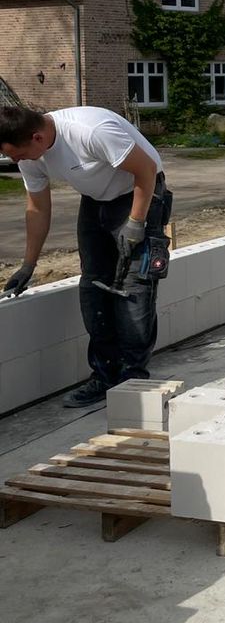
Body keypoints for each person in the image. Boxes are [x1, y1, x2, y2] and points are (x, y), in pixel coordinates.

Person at [0, 105, 172, 407]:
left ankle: (133, 380)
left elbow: (145, 169)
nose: (17, 162)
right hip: (96, 199)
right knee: (93, 285)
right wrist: (29, 264)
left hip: (140, 191)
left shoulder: (90, 131)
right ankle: (104, 376)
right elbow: (38, 208)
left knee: (134, 287)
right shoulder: (29, 151)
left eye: (18, 155)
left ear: (37, 138)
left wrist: (136, 222)